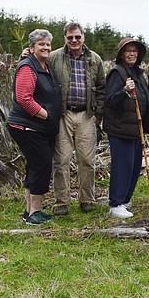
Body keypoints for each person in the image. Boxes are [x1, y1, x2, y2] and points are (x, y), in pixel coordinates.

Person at [47, 22, 106, 216]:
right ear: (64, 38)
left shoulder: (94, 59)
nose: (74, 40)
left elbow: (101, 88)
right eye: (70, 37)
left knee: (87, 160)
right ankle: (61, 202)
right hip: (63, 115)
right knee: (61, 160)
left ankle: (87, 199)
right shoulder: (54, 57)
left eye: (77, 37)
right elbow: (38, 71)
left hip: (87, 115)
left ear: (83, 38)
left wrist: (98, 115)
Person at [7, 29, 62, 225]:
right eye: (41, 44)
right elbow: (24, 98)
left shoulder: (44, 66)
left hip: (38, 128)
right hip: (28, 127)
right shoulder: (27, 67)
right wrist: (47, 115)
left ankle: (30, 211)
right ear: (32, 48)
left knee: (34, 166)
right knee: (41, 165)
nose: (46, 47)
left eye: (48, 44)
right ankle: (35, 212)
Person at [103, 37, 149, 219]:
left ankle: (125, 200)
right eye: (128, 50)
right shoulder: (117, 73)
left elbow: (147, 96)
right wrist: (124, 90)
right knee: (122, 165)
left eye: (135, 51)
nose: (132, 53)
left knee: (133, 166)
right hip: (121, 129)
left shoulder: (138, 73)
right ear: (121, 54)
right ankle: (115, 203)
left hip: (136, 129)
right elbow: (110, 100)